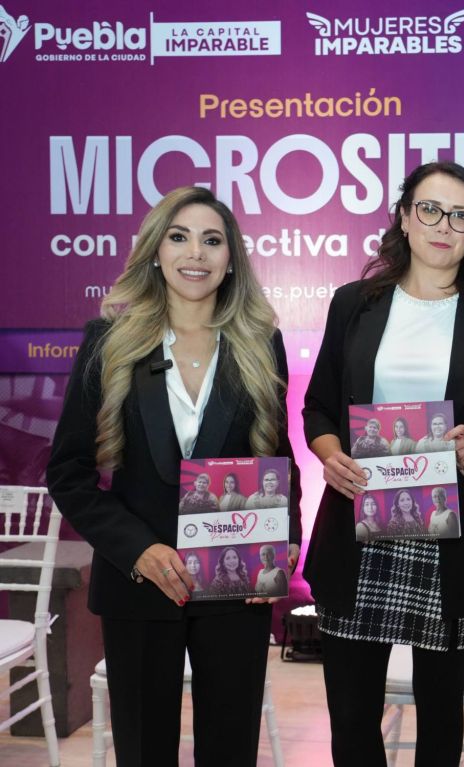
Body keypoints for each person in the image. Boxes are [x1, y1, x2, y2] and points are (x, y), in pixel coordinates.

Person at [46, 185, 302, 766]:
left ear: (230, 259)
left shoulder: (260, 344)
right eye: (179, 237)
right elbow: (68, 472)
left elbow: (278, 457)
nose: (196, 253)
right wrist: (138, 550)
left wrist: (286, 535)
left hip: (235, 583)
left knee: (230, 750)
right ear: (155, 250)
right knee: (143, 752)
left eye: (212, 241)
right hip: (139, 582)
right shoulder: (108, 342)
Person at [302, 161, 464, 766]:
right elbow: (318, 407)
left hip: (453, 536)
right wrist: (331, 456)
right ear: (404, 218)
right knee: (352, 714)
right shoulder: (353, 303)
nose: (443, 226)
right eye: (429, 209)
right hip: (357, 530)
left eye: (460, 216)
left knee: (440, 714)